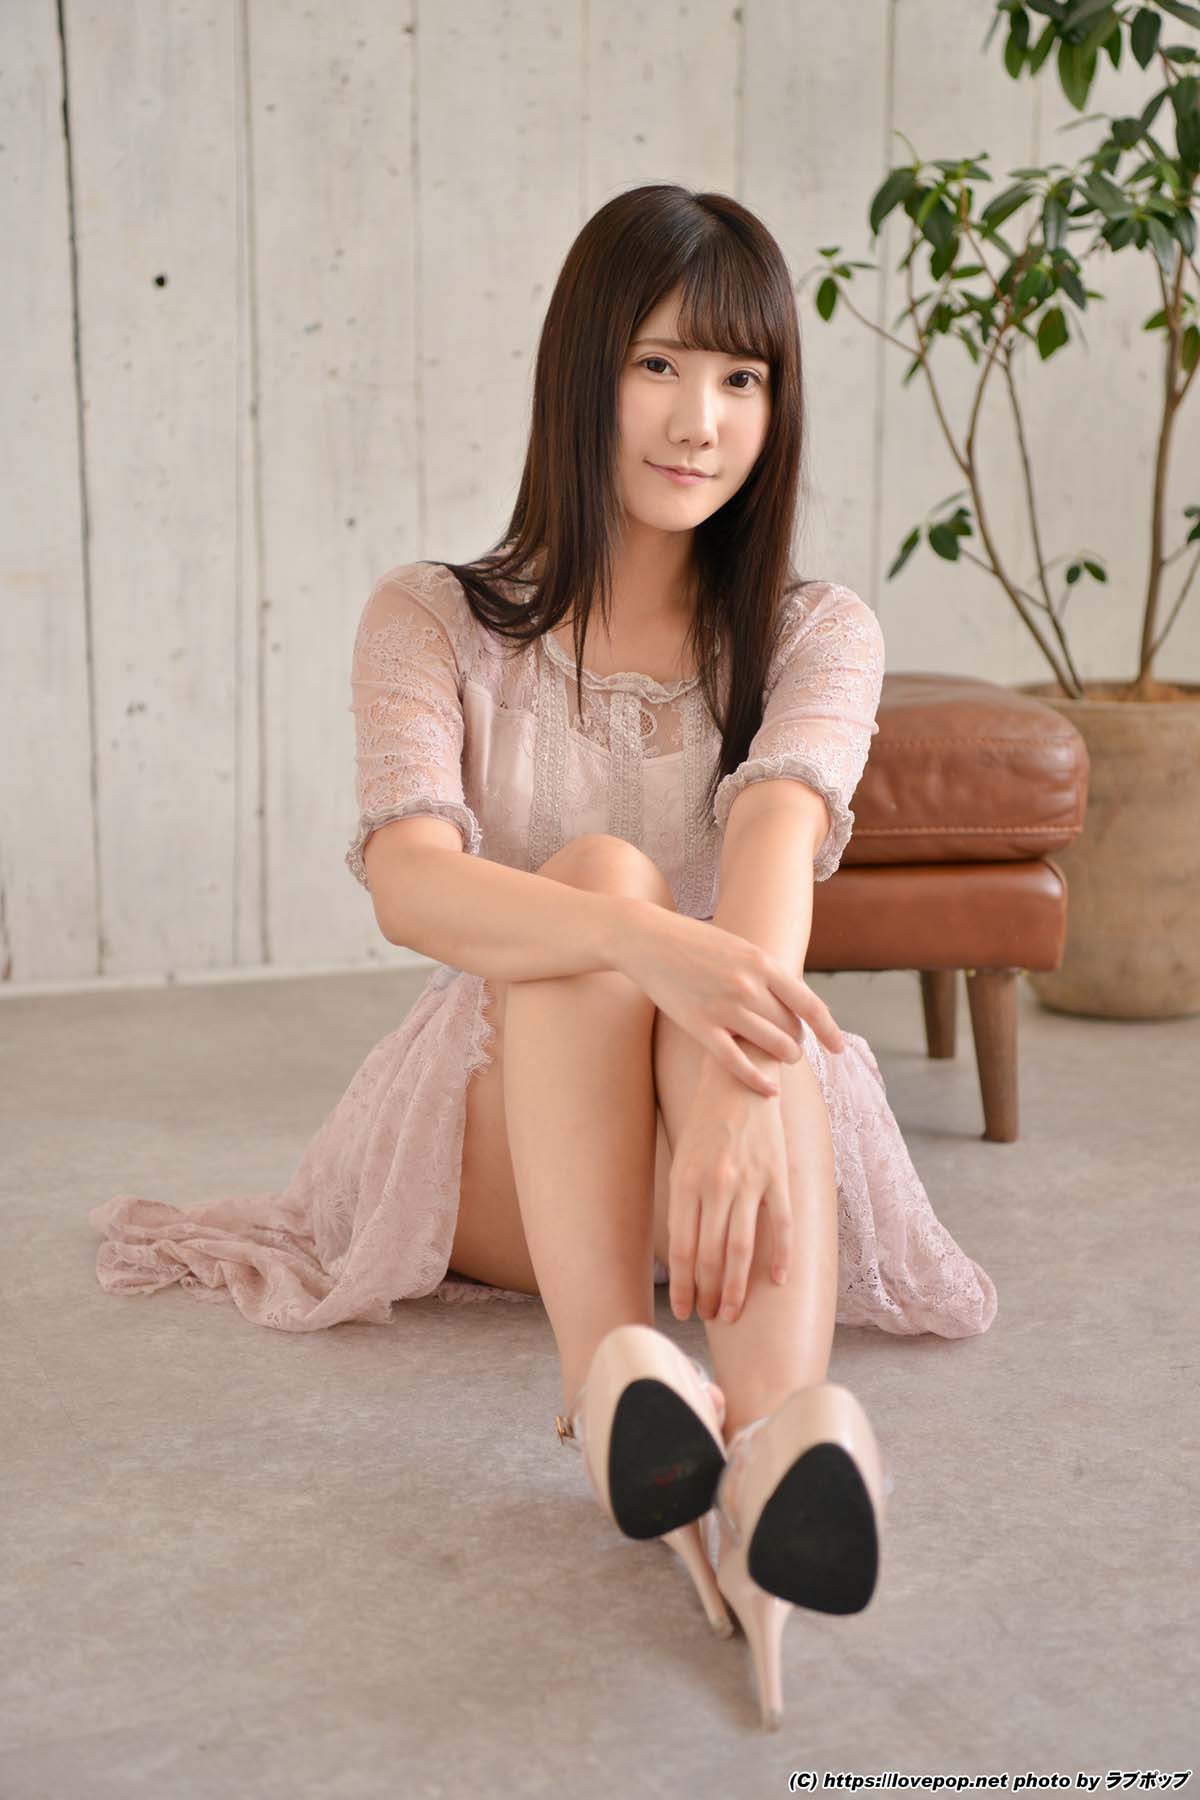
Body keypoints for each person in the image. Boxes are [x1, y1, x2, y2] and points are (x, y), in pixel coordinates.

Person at [90, 183, 997, 1730]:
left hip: (736, 1131)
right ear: (584, 370)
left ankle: (774, 1439)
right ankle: (611, 1390)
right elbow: (411, 885)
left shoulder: (818, 631)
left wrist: (728, 1083)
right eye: (659, 365)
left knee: (739, 987)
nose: (701, 419)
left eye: (743, 376)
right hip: (511, 1138)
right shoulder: (432, 620)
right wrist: (643, 939)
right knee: (599, 884)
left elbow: (776, 848)